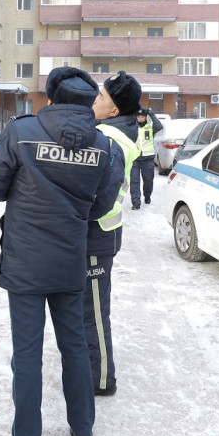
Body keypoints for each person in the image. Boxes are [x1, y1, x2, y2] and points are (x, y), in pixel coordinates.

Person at [0, 66, 121, 436]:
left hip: (25, 261)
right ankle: (84, 433)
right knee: (74, 345)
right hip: (70, 260)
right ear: (88, 102)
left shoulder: (21, 132)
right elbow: (100, 205)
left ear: (52, 99)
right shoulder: (104, 147)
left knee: (27, 355)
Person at [85, 71, 141, 397]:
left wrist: (70, 216)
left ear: (113, 111)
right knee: (86, 311)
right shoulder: (105, 133)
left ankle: (102, 380)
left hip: (96, 239)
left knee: (93, 314)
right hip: (96, 238)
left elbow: (103, 202)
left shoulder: (111, 142)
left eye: (101, 97)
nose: (95, 100)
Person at [130, 108, 165, 209]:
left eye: (142, 117)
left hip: (148, 159)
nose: (140, 118)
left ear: (145, 117)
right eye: (138, 117)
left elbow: (159, 126)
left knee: (148, 181)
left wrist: (152, 114)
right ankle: (136, 203)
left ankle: (147, 196)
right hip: (135, 158)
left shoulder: (150, 127)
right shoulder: (132, 127)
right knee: (134, 181)